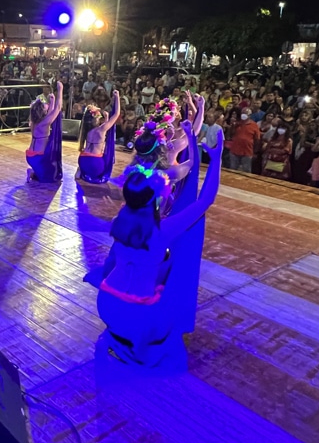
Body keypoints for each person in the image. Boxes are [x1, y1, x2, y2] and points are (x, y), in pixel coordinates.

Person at [84, 121, 223, 370]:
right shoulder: (162, 230)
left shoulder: (119, 222)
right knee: (171, 311)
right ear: (156, 199)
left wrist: (192, 141)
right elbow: (205, 200)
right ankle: (134, 344)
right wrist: (216, 158)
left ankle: (117, 338)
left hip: (105, 304)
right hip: (135, 315)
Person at [77, 91, 121, 184]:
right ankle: (87, 172)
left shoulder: (86, 130)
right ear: (96, 119)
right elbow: (117, 114)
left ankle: (81, 170)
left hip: (82, 160)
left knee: (87, 159)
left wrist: (106, 118)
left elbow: (104, 126)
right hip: (95, 164)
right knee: (106, 160)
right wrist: (117, 97)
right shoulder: (101, 130)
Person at [26, 82, 64, 183]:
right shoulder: (44, 123)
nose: (46, 107)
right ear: (42, 112)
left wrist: (52, 101)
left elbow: (49, 114)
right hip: (38, 157)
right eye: (44, 107)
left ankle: (34, 171)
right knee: (51, 178)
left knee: (44, 174)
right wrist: (60, 90)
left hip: (30, 156)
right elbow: (58, 108)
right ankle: (32, 172)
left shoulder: (34, 122)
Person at [226, 108, 261, 172]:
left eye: (246, 113)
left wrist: (255, 151)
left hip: (247, 151)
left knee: (246, 170)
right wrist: (232, 126)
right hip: (235, 150)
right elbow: (230, 135)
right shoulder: (237, 123)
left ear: (250, 115)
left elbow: (257, 139)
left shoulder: (254, 125)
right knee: (233, 169)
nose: (243, 115)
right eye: (243, 113)